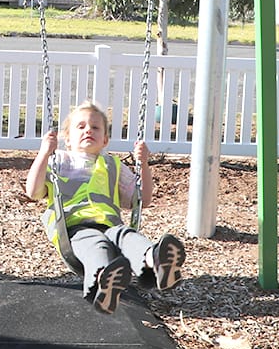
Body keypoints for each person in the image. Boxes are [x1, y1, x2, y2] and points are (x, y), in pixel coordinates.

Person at [23, 102, 186, 313]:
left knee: (127, 236)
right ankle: (103, 281)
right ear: (68, 138)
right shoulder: (59, 161)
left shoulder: (113, 165)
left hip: (110, 226)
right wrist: (44, 153)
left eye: (95, 127)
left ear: (105, 140)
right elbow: (33, 191)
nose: (88, 130)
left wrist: (144, 163)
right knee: (97, 244)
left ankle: (156, 261)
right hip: (74, 229)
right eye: (80, 126)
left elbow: (142, 200)